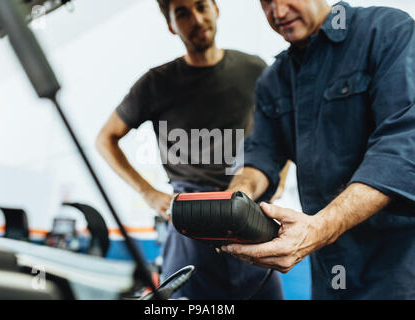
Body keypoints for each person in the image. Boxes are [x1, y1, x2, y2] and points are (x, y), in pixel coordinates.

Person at [222, 0, 415, 299]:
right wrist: (235, 199)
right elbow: (261, 153)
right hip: (329, 275)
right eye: (266, 2)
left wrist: (319, 228)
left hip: (400, 275)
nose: (278, 12)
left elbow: (402, 144)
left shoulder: (386, 32)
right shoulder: (274, 80)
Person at [96, 0, 285, 299]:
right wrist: (150, 194)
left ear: (216, 9)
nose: (196, 19)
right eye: (182, 13)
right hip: (191, 220)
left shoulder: (254, 69)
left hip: (250, 217)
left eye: (201, 6)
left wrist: (281, 178)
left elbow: (281, 128)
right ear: (171, 25)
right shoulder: (156, 83)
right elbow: (105, 139)